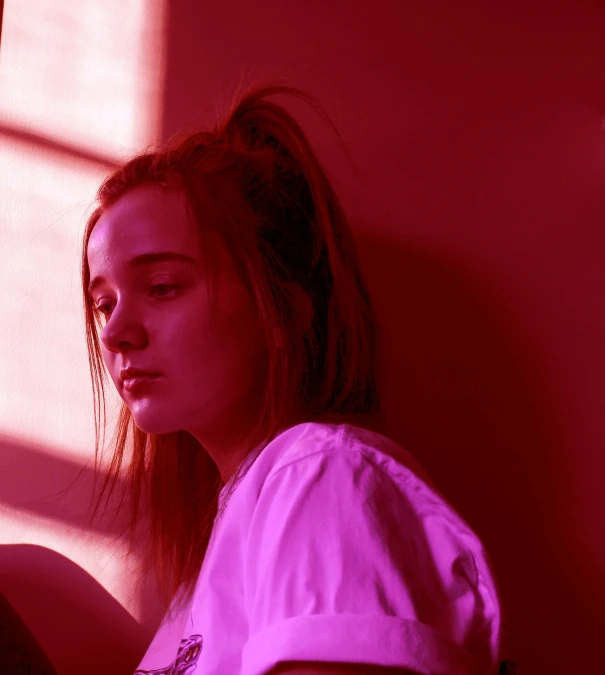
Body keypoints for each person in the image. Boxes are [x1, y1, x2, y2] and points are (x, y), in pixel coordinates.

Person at [82, 76, 508, 675]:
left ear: (280, 312)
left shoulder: (318, 474)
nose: (115, 331)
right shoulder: (202, 582)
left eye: (161, 287)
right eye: (104, 303)